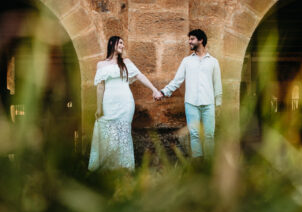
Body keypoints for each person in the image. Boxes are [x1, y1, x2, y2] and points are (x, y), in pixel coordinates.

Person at [89, 36, 162, 171]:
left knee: (123, 133)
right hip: (109, 102)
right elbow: (100, 87)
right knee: (108, 132)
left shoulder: (126, 62)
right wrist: (98, 108)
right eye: (120, 43)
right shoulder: (101, 64)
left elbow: (140, 76)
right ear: (112, 43)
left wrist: (154, 89)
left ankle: (125, 167)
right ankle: (108, 167)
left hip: (125, 103)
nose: (122, 46)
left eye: (123, 44)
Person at [156, 29, 222, 158]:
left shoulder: (213, 62)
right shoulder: (187, 61)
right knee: (195, 134)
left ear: (200, 40)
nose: (189, 42)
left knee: (209, 135)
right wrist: (163, 92)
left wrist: (218, 103)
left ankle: (209, 164)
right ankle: (197, 162)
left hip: (209, 103)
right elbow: (177, 81)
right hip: (191, 103)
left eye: (192, 39)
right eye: (189, 39)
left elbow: (217, 84)